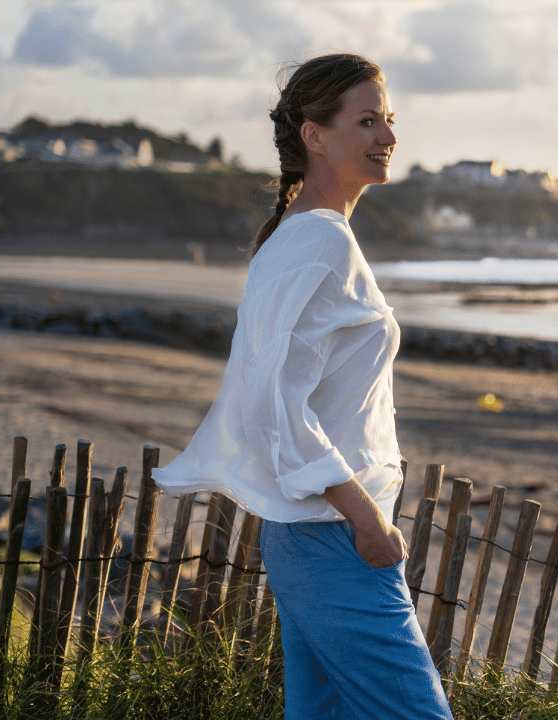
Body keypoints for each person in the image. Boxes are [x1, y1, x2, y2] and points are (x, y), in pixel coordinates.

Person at [152, 54, 454, 720]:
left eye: (389, 119)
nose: (388, 136)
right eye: (367, 120)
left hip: (316, 535)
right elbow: (272, 404)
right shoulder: (319, 242)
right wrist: (367, 520)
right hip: (332, 536)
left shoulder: (307, 236)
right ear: (314, 135)